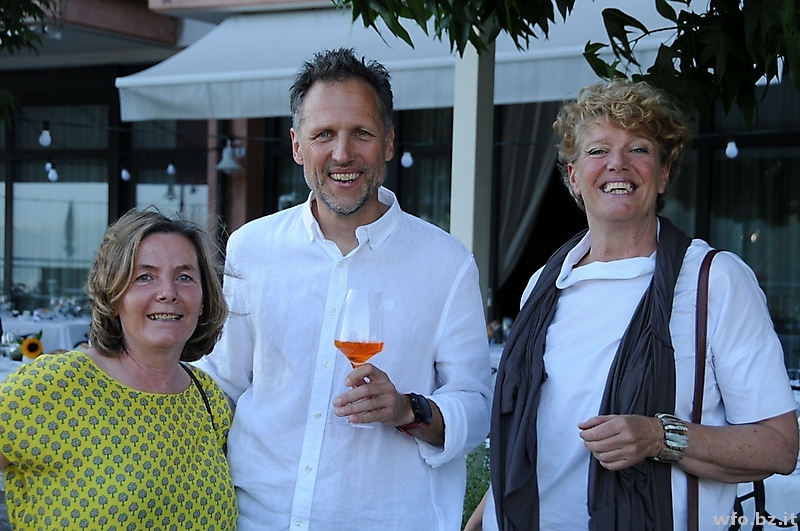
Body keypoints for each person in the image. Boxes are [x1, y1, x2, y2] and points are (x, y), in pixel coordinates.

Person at [481, 79, 799, 531]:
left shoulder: (713, 280)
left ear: (664, 173)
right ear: (574, 176)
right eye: (597, 151)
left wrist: (659, 437)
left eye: (638, 149)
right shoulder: (546, 283)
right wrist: (484, 516)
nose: (617, 163)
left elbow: (779, 448)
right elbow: (535, 434)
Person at [195, 47, 492, 530]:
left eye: (362, 133)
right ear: (297, 146)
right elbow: (225, 382)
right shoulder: (252, 247)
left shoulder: (447, 263)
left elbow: (476, 405)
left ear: (389, 142)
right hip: (258, 519)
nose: (342, 154)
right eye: (324, 134)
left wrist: (407, 410)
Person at [0, 209, 237, 530]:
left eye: (184, 277)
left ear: (204, 299)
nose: (168, 292)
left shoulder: (208, 399)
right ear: (113, 295)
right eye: (144, 277)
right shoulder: (54, 386)